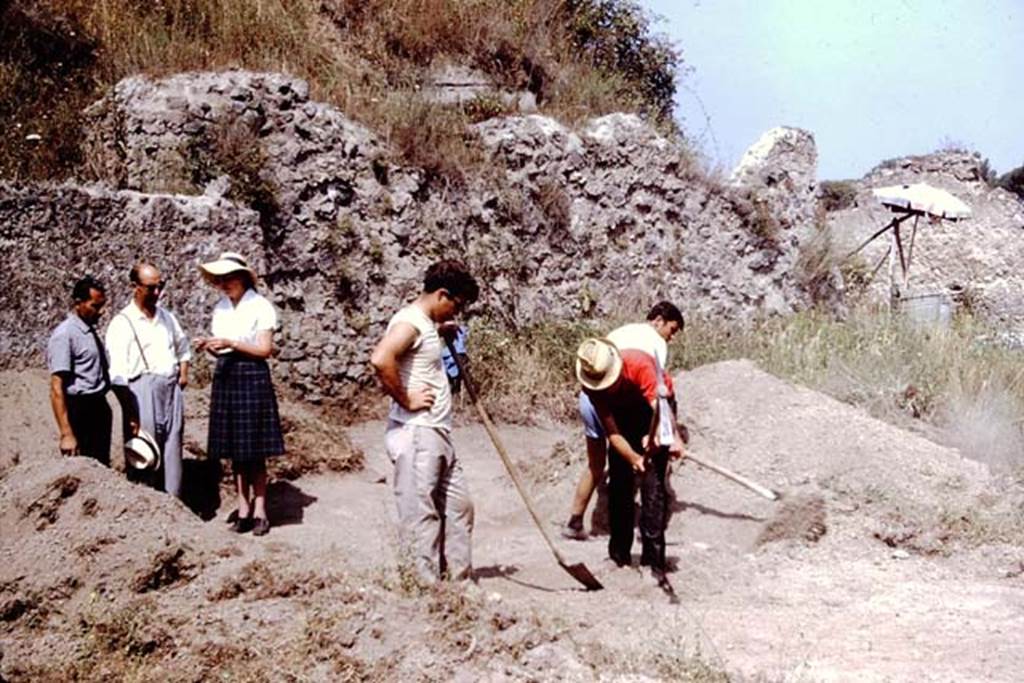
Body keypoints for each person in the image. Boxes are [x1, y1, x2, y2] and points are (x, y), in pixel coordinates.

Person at [370, 260, 479, 583]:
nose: (456, 314)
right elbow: (380, 358)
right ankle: (425, 588)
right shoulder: (411, 323)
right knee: (421, 514)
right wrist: (406, 398)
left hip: (438, 432)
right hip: (418, 432)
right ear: (442, 295)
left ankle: (459, 582)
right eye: (456, 306)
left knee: (460, 507)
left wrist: (439, 330)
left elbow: (417, 348)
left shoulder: (425, 324)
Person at [562, 301, 684, 540]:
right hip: (617, 397)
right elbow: (656, 394)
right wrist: (668, 436)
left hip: (592, 394)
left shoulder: (621, 333)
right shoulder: (654, 344)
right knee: (645, 467)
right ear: (658, 320)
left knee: (596, 464)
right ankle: (647, 525)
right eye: (672, 329)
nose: (672, 337)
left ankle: (574, 522)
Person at [575, 335, 685, 584]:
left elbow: (661, 411)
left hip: (657, 409)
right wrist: (634, 457)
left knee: (653, 490)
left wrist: (662, 435)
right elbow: (613, 434)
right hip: (623, 421)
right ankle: (618, 555)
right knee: (619, 487)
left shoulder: (640, 365)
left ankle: (653, 564)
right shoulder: (593, 386)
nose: (604, 387)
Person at [194, 252, 284, 537]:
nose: (224, 284)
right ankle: (243, 508)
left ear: (243, 277)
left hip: (251, 374)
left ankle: (260, 511)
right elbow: (222, 347)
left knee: (254, 450)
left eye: (229, 278)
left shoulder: (260, 306)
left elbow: (264, 350)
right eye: (220, 279)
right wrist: (210, 346)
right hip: (226, 374)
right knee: (234, 449)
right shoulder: (221, 308)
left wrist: (231, 342)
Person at [105, 262, 191, 497]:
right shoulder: (122, 323)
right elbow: (117, 376)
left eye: (159, 286)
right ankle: (146, 506)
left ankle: (174, 504)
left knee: (173, 449)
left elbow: (183, 348)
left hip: (170, 388)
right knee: (144, 452)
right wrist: (131, 411)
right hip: (141, 391)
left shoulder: (166, 318)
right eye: (150, 287)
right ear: (135, 287)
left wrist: (182, 375)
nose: (156, 293)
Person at [48, 276, 134, 463]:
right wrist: (66, 433)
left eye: (102, 305)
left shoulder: (89, 331)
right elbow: (56, 387)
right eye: (95, 306)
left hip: (98, 406)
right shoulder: (65, 335)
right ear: (78, 303)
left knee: (100, 465)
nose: (101, 312)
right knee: (82, 468)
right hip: (79, 410)